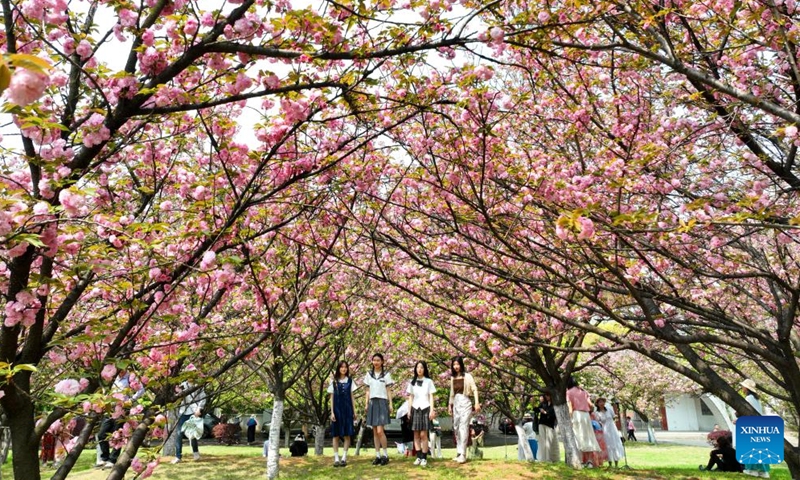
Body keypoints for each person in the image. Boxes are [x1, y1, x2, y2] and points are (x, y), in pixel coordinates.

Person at [97, 368, 145, 468]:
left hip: (123, 408)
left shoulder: (130, 378)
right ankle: (104, 458)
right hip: (110, 407)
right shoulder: (113, 378)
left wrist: (131, 400)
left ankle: (112, 459)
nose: (120, 371)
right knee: (102, 433)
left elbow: (141, 390)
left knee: (118, 434)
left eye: (122, 369)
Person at [447, 356, 480, 464]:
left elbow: (474, 389)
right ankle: (458, 451)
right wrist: (449, 405)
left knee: (463, 427)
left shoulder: (468, 376)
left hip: (465, 402)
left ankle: (463, 454)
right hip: (456, 403)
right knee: (456, 427)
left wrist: (476, 403)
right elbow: (452, 393)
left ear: (461, 364)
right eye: (454, 364)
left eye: (458, 364)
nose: (456, 366)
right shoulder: (452, 378)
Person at [363, 352, 394, 466]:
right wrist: (366, 404)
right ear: (372, 361)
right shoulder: (369, 375)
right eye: (374, 360)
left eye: (378, 360)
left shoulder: (386, 374)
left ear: (382, 362)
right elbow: (367, 390)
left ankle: (385, 455)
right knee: (375, 432)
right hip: (372, 402)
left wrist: (390, 404)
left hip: (382, 402)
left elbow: (389, 390)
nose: (376, 362)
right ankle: (377, 455)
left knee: (380, 431)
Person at [406, 360, 437, 467]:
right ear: (415, 369)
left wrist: (432, 410)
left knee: (424, 434)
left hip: (425, 408)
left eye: (422, 367)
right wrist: (409, 411)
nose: (419, 369)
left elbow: (431, 397)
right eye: (418, 367)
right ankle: (418, 456)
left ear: (425, 369)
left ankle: (424, 457)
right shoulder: (412, 382)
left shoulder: (429, 381)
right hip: (415, 408)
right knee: (416, 434)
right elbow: (410, 397)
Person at [566, 376, 600, 468]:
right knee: (588, 437)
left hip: (576, 414)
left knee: (577, 437)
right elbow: (591, 405)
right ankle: (589, 461)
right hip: (586, 415)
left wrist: (569, 419)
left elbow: (570, 408)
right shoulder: (583, 391)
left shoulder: (569, 392)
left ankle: (580, 461)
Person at [740, 379, 770, 478]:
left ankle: (752, 469)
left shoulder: (749, 398)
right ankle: (763, 471)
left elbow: (748, 413)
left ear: (747, 388)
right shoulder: (756, 399)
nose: (742, 388)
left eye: (743, 386)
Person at [171, 378, 206, 464]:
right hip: (183, 411)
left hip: (194, 412)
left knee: (192, 433)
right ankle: (178, 456)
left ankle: (195, 452)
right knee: (179, 433)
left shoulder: (198, 386)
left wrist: (199, 409)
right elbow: (177, 398)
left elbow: (203, 398)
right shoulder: (182, 385)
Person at [329, 360, 356, 467]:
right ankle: (336, 458)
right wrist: (332, 412)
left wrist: (354, 411)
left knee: (347, 434)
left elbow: (352, 396)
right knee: (335, 435)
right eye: (341, 367)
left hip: (348, 410)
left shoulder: (350, 381)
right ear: (338, 368)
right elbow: (332, 397)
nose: (344, 369)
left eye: (345, 367)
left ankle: (344, 457)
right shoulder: (333, 381)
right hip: (337, 410)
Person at [594, 398, 624, 467]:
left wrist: (616, 417)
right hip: (605, 430)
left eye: (602, 402)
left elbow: (614, 416)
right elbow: (598, 422)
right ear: (597, 404)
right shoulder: (597, 413)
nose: (601, 403)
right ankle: (610, 463)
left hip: (612, 428)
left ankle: (616, 463)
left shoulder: (609, 409)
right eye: (600, 402)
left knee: (614, 443)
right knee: (608, 445)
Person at [536, 393, 559, 462]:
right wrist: (539, 410)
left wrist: (546, 413)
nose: (547, 396)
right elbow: (536, 409)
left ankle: (549, 458)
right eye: (546, 395)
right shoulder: (543, 403)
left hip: (550, 424)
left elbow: (554, 415)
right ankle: (542, 458)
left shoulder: (555, 404)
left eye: (548, 395)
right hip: (542, 423)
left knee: (549, 442)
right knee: (542, 441)